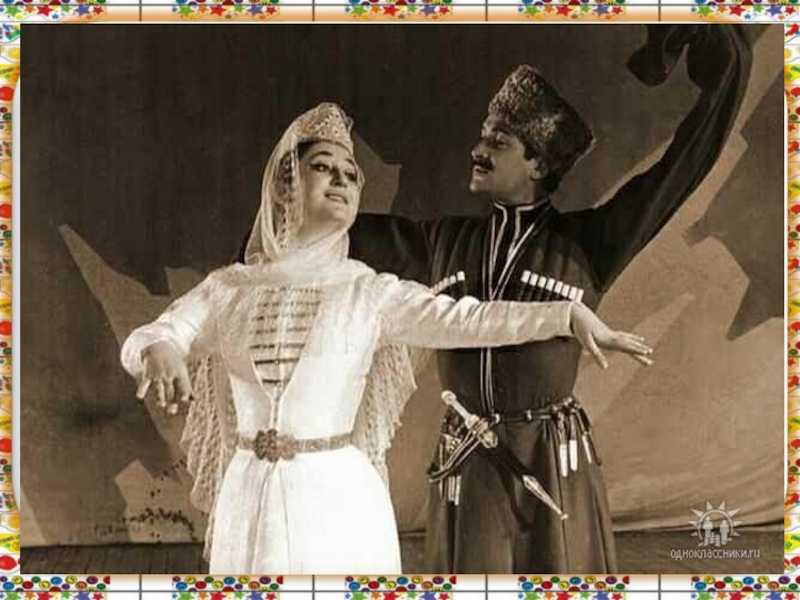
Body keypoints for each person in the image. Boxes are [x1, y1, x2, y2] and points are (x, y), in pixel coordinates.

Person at [121, 103, 652, 574]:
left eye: (351, 175)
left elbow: (467, 319)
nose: (341, 180)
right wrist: (159, 348)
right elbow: (156, 334)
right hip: (248, 497)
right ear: (284, 185)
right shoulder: (229, 289)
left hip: (337, 501)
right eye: (322, 167)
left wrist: (566, 315)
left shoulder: (368, 292)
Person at [348, 25, 751, 572]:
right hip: (469, 463)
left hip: (551, 458)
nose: (478, 150)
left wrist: (719, 54)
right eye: (483, 136)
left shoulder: (589, 243)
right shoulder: (442, 240)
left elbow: (678, 171)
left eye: (498, 142)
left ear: (538, 164)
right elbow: (337, 231)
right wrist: (300, 189)